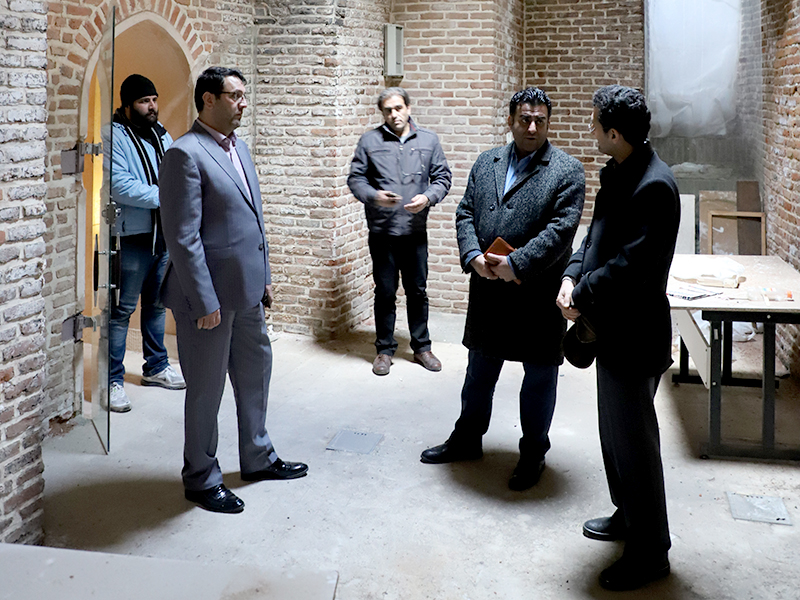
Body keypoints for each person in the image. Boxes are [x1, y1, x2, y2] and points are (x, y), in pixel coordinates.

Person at [158, 67, 308, 514]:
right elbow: (183, 237)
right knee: (206, 391)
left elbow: (253, 219)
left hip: (247, 293)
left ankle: (258, 457)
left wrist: (264, 277)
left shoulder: (239, 147)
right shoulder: (184, 154)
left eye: (244, 95)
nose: (244, 103)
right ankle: (201, 478)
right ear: (208, 99)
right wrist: (204, 301)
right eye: (235, 95)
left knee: (256, 374)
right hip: (208, 300)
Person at [421, 88, 585, 492]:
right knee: (478, 373)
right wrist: (472, 255)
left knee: (539, 380)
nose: (532, 127)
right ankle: (467, 438)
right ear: (510, 120)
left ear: (548, 123)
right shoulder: (487, 161)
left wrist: (518, 264)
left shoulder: (567, 170)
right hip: (489, 291)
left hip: (537, 295)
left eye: (540, 121)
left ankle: (533, 454)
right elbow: (465, 212)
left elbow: (561, 231)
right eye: (524, 119)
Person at [557, 85, 680, 591]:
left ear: (614, 133)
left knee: (635, 448)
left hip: (635, 335)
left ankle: (651, 553)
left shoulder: (655, 186)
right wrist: (571, 273)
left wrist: (581, 293)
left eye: (595, 124)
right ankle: (627, 515)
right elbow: (595, 236)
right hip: (610, 330)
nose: (590, 129)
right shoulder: (619, 170)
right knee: (613, 436)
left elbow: (631, 267)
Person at [347, 87, 452, 376]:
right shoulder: (370, 141)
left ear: (408, 108)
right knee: (385, 292)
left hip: (415, 231)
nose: (394, 114)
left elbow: (442, 177)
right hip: (382, 232)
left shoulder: (428, 140)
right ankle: (384, 350)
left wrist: (428, 197)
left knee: (417, 291)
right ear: (383, 113)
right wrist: (374, 196)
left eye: (398, 108)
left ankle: (421, 348)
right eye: (388, 110)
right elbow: (356, 179)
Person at [105, 74, 185, 413]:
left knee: (156, 305)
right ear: (127, 105)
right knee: (121, 311)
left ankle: (156, 367)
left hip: (162, 234)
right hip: (132, 237)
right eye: (143, 101)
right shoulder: (113, 135)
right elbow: (119, 184)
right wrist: (166, 196)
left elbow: (177, 171)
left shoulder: (161, 132)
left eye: (153, 99)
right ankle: (111, 381)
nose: (151, 106)